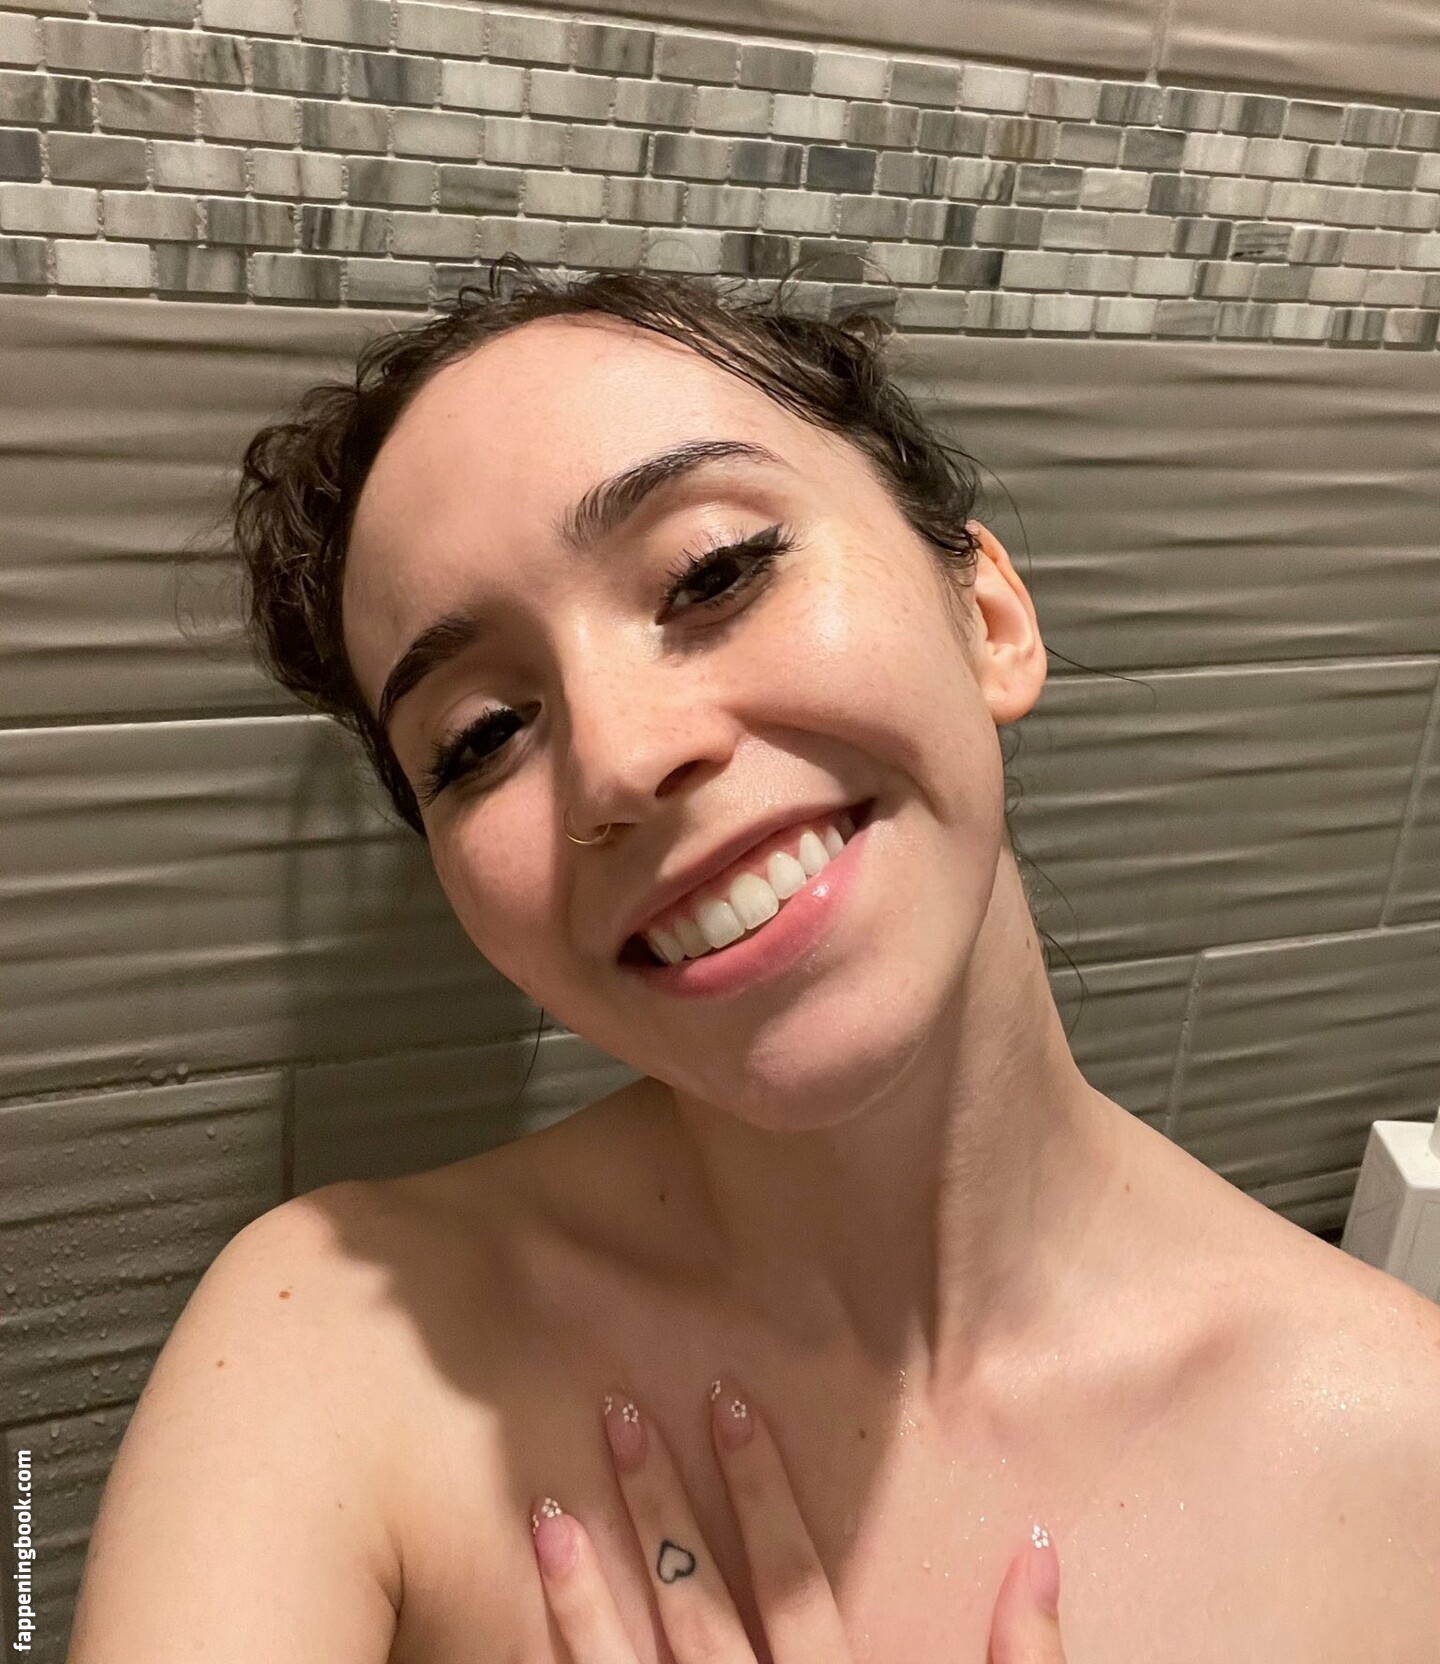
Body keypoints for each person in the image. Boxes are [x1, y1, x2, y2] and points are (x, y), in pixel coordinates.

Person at [67, 260, 1440, 1663]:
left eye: (712, 573)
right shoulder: (328, 1361)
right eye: (480, 736)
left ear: (987, 618)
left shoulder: (1403, 1448)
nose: (620, 759)